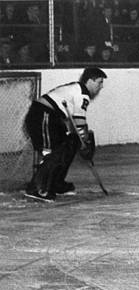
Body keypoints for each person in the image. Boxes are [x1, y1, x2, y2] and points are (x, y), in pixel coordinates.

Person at [24, 68, 107, 202]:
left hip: (53, 118)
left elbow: (75, 125)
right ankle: (38, 188)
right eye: (99, 82)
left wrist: (81, 142)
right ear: (90, 81)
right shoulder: (82, 93)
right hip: (42, 115)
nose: (101, 86)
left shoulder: (78, 89)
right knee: (52, 153)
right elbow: (79, 123)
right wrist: (85, 144)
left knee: (70, 143)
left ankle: (55, 183)